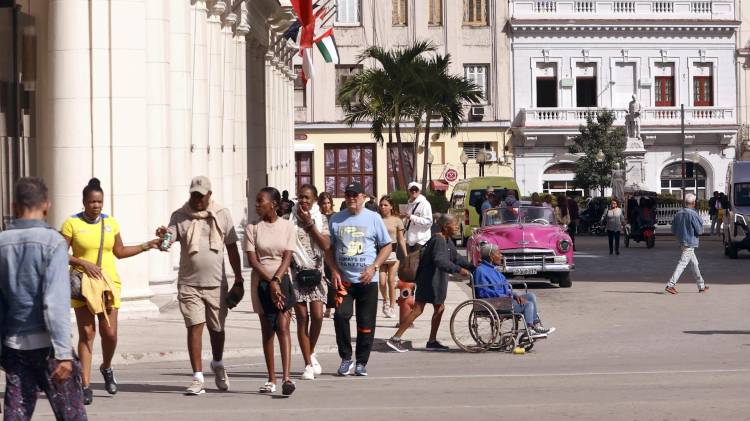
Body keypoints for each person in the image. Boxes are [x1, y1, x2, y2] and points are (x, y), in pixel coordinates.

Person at [62, 178, 161, 404]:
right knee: (87, 334)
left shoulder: (111, 223)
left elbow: (119, 251)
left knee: (110, 333)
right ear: (84, 202)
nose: (96, 205)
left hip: (108, 285)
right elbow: (59, 252)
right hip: (82, 285)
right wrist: (83, 263)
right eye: (91, 202)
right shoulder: (72, 223)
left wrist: (148, 245)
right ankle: (85, 384)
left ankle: (106, 367)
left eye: (99, 201)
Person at [0, 177, 87, 421]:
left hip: (15, 347)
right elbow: (55, 300)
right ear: (47, 205)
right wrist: (63, 353)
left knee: (16, 416)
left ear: (14, 206)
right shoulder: (53, 242)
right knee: (71, 415)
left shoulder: (2, 243)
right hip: (49, 348)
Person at [157, 176, 243, 396]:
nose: (196, 199)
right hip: (189, 284)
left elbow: (232, 248)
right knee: (195, 326)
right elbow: (167, 242)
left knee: (217, 329)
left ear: (209, 195)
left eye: (200, 195)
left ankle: (217, 362)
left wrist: (239, 280)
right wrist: (162, 237)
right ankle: (197, 376)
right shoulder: (180, 216)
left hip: (216, 283)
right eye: (193, 195)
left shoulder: (222, 214)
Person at [326, 181, 392, 377]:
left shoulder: (373, 218)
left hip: (367, 281)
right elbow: (328, 249)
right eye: (348, 195)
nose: (352, 198)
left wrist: (374, 267)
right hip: (344, 281)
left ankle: (362, 362)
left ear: (363, 197)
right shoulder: (336, 219)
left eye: (355, 195)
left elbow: (387, 246)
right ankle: (346, 358)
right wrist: (334, 270)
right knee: (340, 316)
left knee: (365, 323)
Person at [386, 214, 473, 352]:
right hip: (430, 280)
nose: (457, 227)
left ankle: (432, 341)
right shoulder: (438, 240)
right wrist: (458, 270)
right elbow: (440, 260)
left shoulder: (446, 239)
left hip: (435, 280)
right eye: (455, 224)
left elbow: (455, 257)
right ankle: (395, 339)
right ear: (445, 226)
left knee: (439, 308)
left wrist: (472, 267)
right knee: (418, 310)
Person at [245, 187, 297, 395]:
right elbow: (252, 260)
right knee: (268, 329)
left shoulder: (287, 227)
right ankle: (271, 379)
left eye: (260, 201)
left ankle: (286, 378)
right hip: (261, 283)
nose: (257, 205)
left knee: (283, 326)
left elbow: (287, 257)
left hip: (282, 280)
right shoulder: (252, 228)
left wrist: (277, 280)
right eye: (256, 201)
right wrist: (270, 281)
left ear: (273, 204)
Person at [289, 184, 330, 381]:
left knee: (318, 315)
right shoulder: (289, 220)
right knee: (303, 318)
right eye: (300, 197)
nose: (303, 201)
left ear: (314, 199)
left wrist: (310, 224)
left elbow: (325, 245)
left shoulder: (321, 219)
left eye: (307, 197)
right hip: (296, 274)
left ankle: (311, 350)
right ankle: (307, 363)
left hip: (316, 273)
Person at [472, 243, 555, 337]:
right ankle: (530, 330)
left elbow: (506, 288)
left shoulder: (495, 270)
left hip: (503, 300)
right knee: (528, 305)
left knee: (530, 296)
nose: (501, 256)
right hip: (494, 303)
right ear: (491, 256)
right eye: (498, 253)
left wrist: (515, 295)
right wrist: (507, 297)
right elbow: (483, 293)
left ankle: (536, 325)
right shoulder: (480, 271)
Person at [665, 193, 709, 294]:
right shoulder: (694, 214)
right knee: (683, 263)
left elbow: (673, 229)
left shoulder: (678, 213)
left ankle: (701, 285)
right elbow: (699, 231)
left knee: (694, 264)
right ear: (693, 203)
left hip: (682, 241)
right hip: (690, 242)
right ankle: (670, 284)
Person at [378, 195, 408, 319]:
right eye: (381, 205)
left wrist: (406, 256)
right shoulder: (377, 219)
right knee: (382, 281)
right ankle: (385, 302)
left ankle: (392, 306)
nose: (383, 207)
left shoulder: (397, 220)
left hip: (393, 253)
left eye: (385, 205)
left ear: (391, 206)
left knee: (391, 281)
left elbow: (401, 239)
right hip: (380, 254)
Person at [318, 192, 336, 319]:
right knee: (321, 280)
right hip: (319, 251)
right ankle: (324, 305)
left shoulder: (335, 217)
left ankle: (331, 306)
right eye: (324, 203)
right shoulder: (317, 217)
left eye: (328, 203)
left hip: (333, 250)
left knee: (332, 279)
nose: (326, 205)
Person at [401, 181, 433, 253]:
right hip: (410, 241)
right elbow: (408, 222)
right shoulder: (409, 203)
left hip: (421, 241)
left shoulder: (425, 204)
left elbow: (428, 222)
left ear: (420, 191)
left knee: (416, 263)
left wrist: (411, 217)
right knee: (411, 263)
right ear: (409, 191)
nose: (414, 191)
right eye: (412, 190)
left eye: (416, 190)